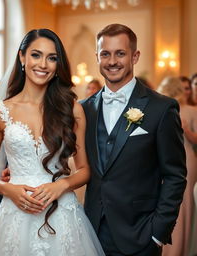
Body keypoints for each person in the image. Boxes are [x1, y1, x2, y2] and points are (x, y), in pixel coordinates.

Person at [0, 29, 105, 256]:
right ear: (22, 57)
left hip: (62, 213)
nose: (43, 64)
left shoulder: (72, 109)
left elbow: (84, 170)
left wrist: (61, 185)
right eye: (36, 55)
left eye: (52, 58)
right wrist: (9, 190)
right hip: (14, 214)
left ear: (57, 65)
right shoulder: (0, 112)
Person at [81, 24, 187, 256]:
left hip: (139, 234)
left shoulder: (162, 108)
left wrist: (157, 232)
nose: (112, 61)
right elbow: (67, 155)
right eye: (105, 54)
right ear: (97, 57)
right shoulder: (83, 110)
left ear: (134, 56)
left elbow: (175, 175)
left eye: (120, 53)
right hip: (89, 232)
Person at [157, 76, 197, 256]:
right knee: (168, 200)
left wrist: (186, 129)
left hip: (187, 159)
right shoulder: (161, 109)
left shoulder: (191, 111)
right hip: (169, 159)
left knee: (185, 202)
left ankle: (179, 249)